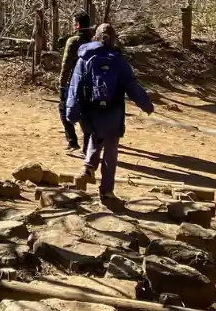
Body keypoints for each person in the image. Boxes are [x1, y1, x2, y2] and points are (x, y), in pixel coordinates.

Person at [65, 23, 154, 198]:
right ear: (114, 39)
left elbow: (75, 87)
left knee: (94, 136)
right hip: (113, 112)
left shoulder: (84, 58)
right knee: (111, 151)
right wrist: (146, 105)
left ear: (94, 37)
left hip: (90, 111)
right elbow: (132, 86)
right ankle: (106, 191)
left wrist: (71, 112)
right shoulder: (118, 61)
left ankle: (88, 168)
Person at [56, 11, 95, 153]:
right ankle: (87, 145)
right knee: (86, 112)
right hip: (90, 82)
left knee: (63, 108)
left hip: (73, 81)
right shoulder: (94, 40)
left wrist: (62, 83)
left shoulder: (73, 41)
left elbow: (66, 64)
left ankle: (72, 141)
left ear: (77, 24)